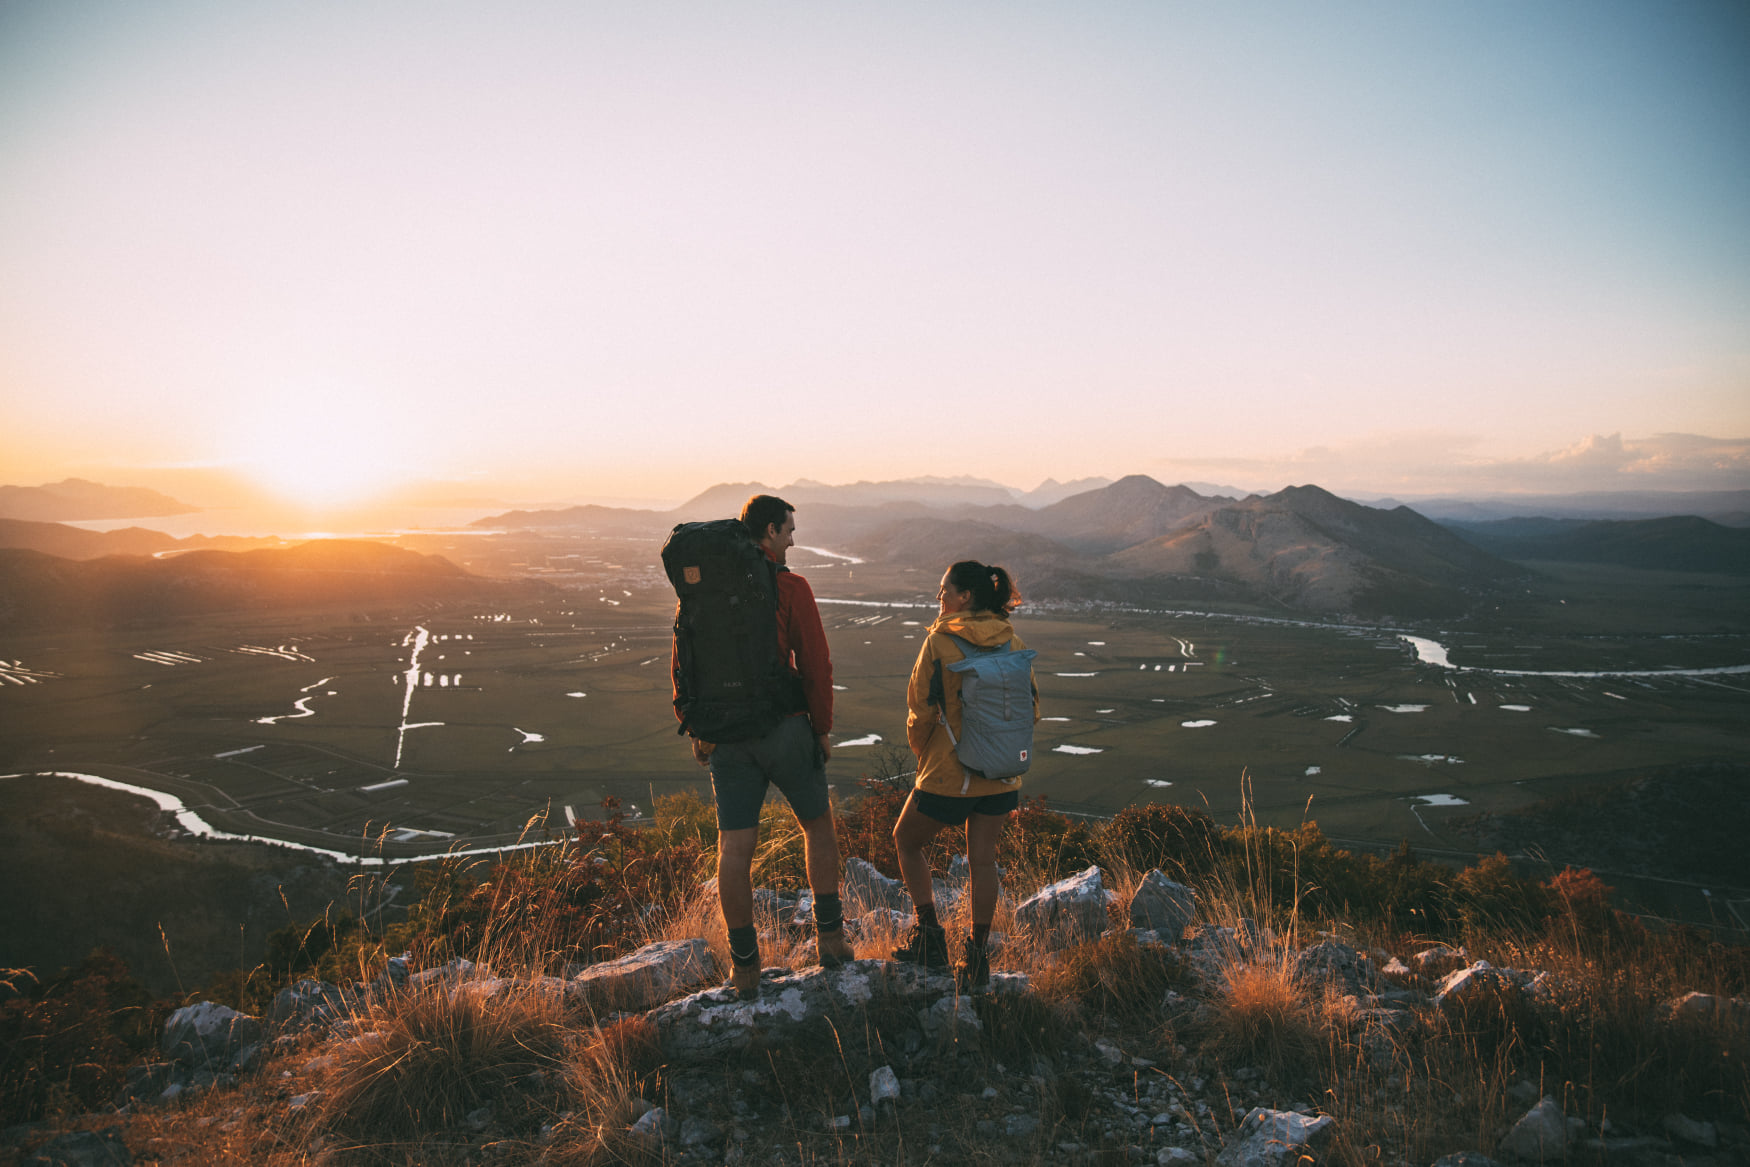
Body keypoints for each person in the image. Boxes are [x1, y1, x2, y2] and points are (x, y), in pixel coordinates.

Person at [674, 494, 855, 999]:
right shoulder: (790, 586)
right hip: (785, 729)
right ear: (770, 531)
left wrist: (696, 726)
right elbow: (816, 663)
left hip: (727, 739)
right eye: (789, 530)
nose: (793, 540)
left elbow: (684, 659)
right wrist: (822, 728)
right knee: (817, 826)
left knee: (734, 848)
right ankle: (831, 939)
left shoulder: (702, 590)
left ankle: (745, 967)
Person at [891, 560, 1037, 991]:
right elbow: (1032, 708)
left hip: (950, 773)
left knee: (906, 840)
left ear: (965, 597)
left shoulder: (939, 642)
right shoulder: (1012, 641)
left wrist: (924, 753)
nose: (939, 598)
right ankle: (977, 956)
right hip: (1003, 775)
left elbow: (920, 709)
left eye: (945, 591)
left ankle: (929, 937)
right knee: (983, 860)